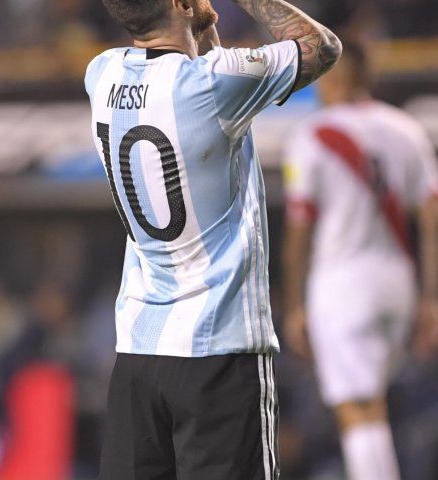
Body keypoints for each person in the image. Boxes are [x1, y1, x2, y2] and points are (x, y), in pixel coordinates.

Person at [84, 0, 340, 477]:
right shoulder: (214, 83)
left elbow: (192, 75)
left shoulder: (101, 75)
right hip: (220, 350)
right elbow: (322, 47)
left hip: (139, 352)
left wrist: (193, 23)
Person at [281, 42, 438, 480]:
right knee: (373, 405)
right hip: (396, 283)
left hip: (341, 283)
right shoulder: (405, 128)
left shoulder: (312, 134)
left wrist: (294, 303)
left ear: (332, 77)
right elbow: (435, 216)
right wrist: (433, 297)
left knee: (356, 409)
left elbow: (299, 229)